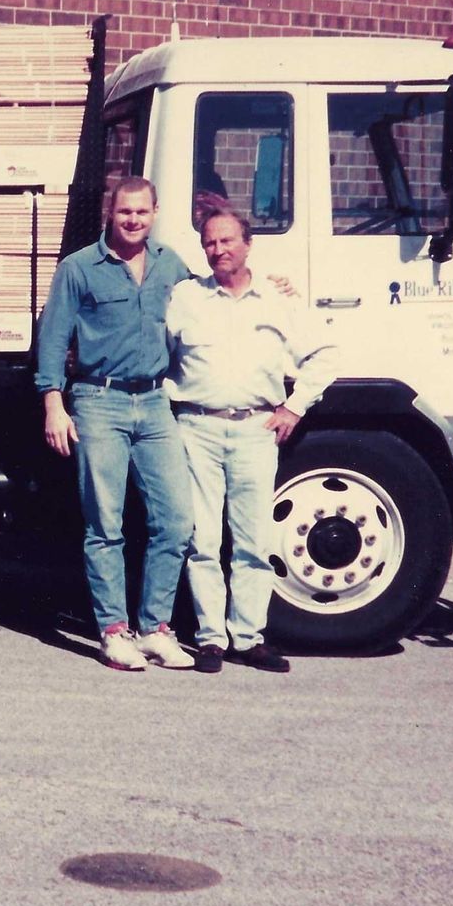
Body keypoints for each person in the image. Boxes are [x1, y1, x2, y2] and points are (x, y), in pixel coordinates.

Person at [166, 206, 339, 672]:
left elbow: (324, 355)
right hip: (196, 428)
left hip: (255, 431)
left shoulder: (278, 300)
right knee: (201, 538)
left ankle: (248, 637)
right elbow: (158, 354)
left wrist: (293, 407)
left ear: (247, 244)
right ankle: (209, 640)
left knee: (253, 540)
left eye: (226, 241)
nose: (217, 250)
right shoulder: (185, 298)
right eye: (209, 243)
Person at [36, 176, 197, 671]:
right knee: (104, 525)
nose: (133, 220)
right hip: (97, 401)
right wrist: (53, 404)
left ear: (154, 212)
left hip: (153, 405)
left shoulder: (172, 265)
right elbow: (52, 335)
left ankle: (156, 629)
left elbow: (210, 306)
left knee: (176, 522)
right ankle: (113, 631)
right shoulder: (80, 268)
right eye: (125, 212)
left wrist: (275, 283)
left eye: (142, 212)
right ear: (111, 212)